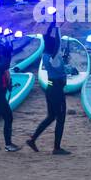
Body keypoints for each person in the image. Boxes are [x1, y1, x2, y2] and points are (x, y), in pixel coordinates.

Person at [28, 23, 69, 154]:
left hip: (50, 88)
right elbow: (57, 43)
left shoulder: (45, 55)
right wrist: (57, 29)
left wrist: (53, 24)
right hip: (56, 90)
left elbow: (47, 37)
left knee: (51, 116)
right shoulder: (53, 57)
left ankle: (33, 139)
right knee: (60, 118)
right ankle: (57, 148)